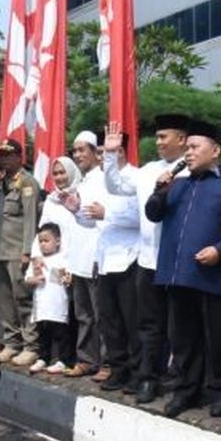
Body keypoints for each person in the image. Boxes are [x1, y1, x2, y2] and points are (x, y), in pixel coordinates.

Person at [145, 119, 221, 419]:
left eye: (195, 147)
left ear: (215, 151)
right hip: (179, 274)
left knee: (219, 336)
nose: (188, 153)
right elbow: (153, 214)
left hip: (215, 274)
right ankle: (187, 390)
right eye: (186, 148)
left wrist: (220, 249)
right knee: (184, 338)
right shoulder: (179, 184)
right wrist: (160, 190)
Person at [103, 114, 191, 404]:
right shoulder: (147, 171)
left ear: (181, 139)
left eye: (165, 136)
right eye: (157, 137)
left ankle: (183, 380)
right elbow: (115, 185)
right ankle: (148, 379)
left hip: (180, 262)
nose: (159, 142)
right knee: (149, 326)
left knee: (180, 326)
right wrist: (111, 153)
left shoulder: (192, 171)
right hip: (148, 261)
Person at [70, 128, 140, 393]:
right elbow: (91, 219)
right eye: (101, 152)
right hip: (104, 258)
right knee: (109, 321)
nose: (104, 157)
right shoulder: (103, 181)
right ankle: (118, 370)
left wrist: (106, 213)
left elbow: (139, 219)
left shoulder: (136, 177)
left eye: (109, 151)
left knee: (131, 322)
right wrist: (76, 210)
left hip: (129, 258)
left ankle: (136, 371)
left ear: (122, 150)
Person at [0, 139, 42, 365]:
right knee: (4, 300)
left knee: (22, 298)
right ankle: (12, 343)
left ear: (19, 156)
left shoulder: (26, 182)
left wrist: (27, 251)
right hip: (0, 250)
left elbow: (30, 219)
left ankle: (31, 345)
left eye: (8, 155)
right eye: (0, 155)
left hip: (17, 250)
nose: (3, 158)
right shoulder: (3, 183)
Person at [62, 131, 106, 378]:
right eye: (75, 151)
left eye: (82, 150)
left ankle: (108, 362)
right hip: (79, 257)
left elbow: (94, 217)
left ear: (95, 152)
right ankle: (87, 359)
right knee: (83, 314)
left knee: (102, 314)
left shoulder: (103, 180)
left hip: (97, 256)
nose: (78, 155)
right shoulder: (84, 181)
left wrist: (77, 210)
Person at [33, 155, 82, 373]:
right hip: (51, 263)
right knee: (51, 310)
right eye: (56, 173)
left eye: (63, 172)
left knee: (71, 313)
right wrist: (37, 258)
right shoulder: (51, 200)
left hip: (74, 262)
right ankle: (49, 356)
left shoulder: (79, 196)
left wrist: (71, 265)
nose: (60, 177)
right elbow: (41, 232)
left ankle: (69, 358)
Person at [24, 223, 74, 374]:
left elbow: (67, 278)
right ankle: (43, 357)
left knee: (61, 333)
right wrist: (35, 279)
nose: (43, 245)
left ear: (57, 241)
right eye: (40, 241)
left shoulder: (63, 258)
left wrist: (65, 278)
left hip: (58, 304)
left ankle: (63, 360)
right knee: (43, 333)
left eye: (47, 241)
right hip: (41, 306)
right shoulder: (37, 261)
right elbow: (27, 278)